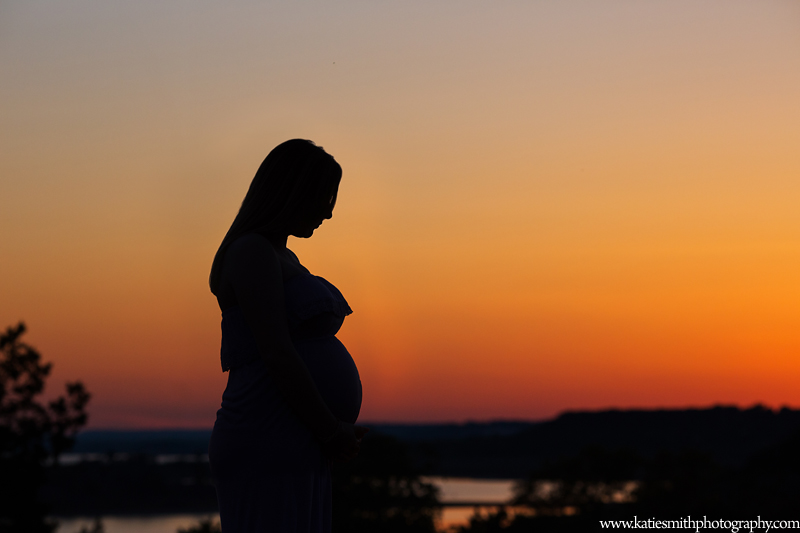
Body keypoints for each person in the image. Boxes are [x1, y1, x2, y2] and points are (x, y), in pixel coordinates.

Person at [208, 139, 367, 532]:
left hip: (294, 433)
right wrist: (329, 430)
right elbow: (276, 352)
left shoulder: (280, 255)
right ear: (294, 191)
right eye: (324, 196)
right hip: (268, 431)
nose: (329, 212)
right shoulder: (251, 252)